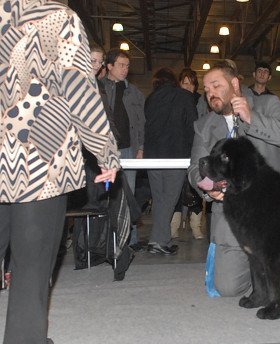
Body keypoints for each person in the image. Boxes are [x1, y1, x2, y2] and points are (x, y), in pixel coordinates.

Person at [0, 1, 120, 343]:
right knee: (31, 268)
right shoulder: (58, 18)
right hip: (38, 163)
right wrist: (105, 151)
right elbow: (80, 91)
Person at [188, 61, 280, 297]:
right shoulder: (204, 126)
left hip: (272, 213)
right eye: (207, 90)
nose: (211, 94)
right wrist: (209, 190)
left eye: (216, 86)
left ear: (234, 83)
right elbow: (195, 169)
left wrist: (251, 117)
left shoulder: (267, 104)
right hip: (233, 217)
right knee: (227, 288)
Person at [144, 68, 197, 254]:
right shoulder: (184, 96)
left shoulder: (150, 99)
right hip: (176, 155)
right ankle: (156, 240)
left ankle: (162, 240)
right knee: (169, 199)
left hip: (152, 157)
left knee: (159, 199)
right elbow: (192, 126)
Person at [102, 48, 146, 251]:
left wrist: (141, 147)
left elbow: (142, 123)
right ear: (109, 66)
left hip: (129, 150)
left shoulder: (134, 92)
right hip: (104, 151)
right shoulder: (98, 88)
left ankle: (131, 239)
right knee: (106, 196)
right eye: (121, 65)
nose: (125, 69)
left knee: (129, 195)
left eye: (127, 66)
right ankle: (105, 239)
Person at [170, 68, 204, 240]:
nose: (188, 86)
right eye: (185, 82)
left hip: (196, 148)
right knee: (176, 188)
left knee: (197, 187)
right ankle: (173, 227)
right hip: (177, 149)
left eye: (192, 83)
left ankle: (196, 226)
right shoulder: (173, 101)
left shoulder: (201, 101)